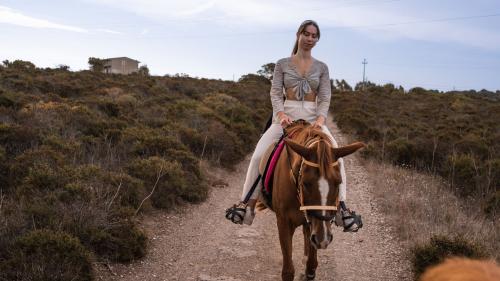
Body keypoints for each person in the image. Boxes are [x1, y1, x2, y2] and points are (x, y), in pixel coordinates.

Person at [225, 20, 362, 232]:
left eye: (314, 36)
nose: (310, 39)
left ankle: (342, 208)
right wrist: (280, 115)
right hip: (285, 118)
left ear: (317, 39)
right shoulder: (282, 64)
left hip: (312, 120)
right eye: (307, 34)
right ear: (299, 34)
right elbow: (274, 92)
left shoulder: (322, 67)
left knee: (337, 158)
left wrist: (320, 120)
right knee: (258, 155)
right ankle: (247, 205)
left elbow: (325, 97)